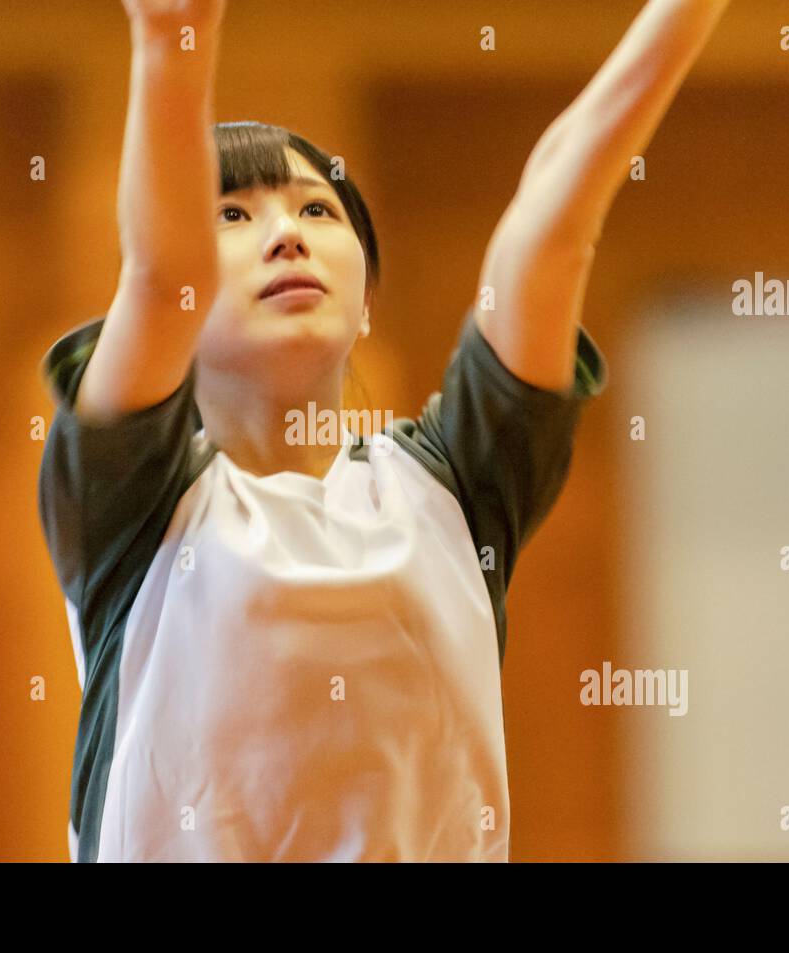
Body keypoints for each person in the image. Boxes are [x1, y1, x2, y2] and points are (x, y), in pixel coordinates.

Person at [37, 0, 729, 862]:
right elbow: (158, 270)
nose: (287, 234)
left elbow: (554, 227)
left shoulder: (457, 483)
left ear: (368, 301)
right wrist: (174, 36)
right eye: (233, 214)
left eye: (318, 212)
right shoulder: (131, 505)